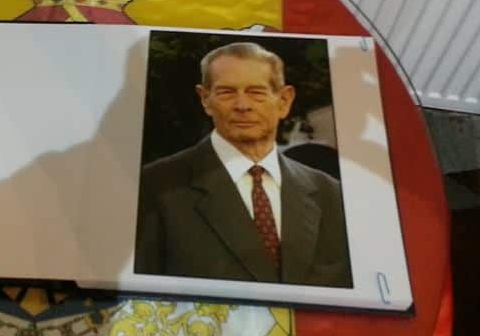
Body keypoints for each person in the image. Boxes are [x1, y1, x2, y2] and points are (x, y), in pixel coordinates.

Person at [135, 42, 352, 287]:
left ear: (284, 101)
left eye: (256, 92)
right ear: (205, 99)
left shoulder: (330, 194)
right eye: (227, 92)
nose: (242, 105)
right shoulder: (156, 188)